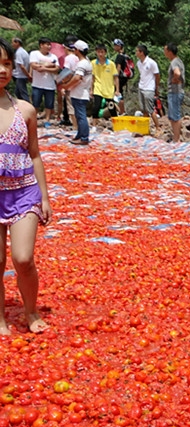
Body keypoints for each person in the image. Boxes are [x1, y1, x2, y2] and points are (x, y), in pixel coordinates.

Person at [0, 38, 53, 334]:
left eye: (7, 64)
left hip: (23, 193)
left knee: (23, 258)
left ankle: (31, 311)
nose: (2, 70)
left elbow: (34, 154)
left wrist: (44, 198)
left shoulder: (26, 110)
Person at [60, 41, 92, 146]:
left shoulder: (82, 63)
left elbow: (78, 78)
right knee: (79, 115)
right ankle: (80, 135)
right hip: (81, 92)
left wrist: (66, 85)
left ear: (77, 50)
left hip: (79, 93)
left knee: (81, 116)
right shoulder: (87, 61)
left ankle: (84, 137)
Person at [28, 37, 59, 125]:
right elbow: (34, 66)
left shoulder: (53, 56)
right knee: (36, 103)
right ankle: (33, 120)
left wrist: (44, 67)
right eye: (47, 44)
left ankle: (47, 120)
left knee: (49, 104)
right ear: (41, 45)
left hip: (50, 84)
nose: (49, 47)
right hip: (37, 84)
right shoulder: (34, 54)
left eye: (50, 45)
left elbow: (56, 69)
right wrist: (49, 65)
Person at [135, 44, 161, 134]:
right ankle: (145, 128)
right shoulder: (138, 63)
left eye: (137, 51)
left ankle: (158, 127)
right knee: (144, 109)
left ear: (141, 52)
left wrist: (156, 87)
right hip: (141, 87)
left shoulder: (151, 63)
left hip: (149, 88)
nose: (136, 53)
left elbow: (157, 75)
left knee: (150, 109)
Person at [91, 44, 119, 125]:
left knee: (111, 107)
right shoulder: (93, 63)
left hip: (109, 89)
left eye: (102, 52)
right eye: (98, 52)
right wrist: (91, 89)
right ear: (96, 52)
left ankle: (116, 124)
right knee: (96, 107)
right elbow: (92, 78)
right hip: (98, 88)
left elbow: (116, 78)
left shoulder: (111, 64)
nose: (100, 54)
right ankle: (94, 125)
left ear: (105, 53)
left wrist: (117, 90)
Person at [164, 43, 185, 142]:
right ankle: (175, 137)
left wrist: (175, 79)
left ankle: (176, 139)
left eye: (165, 51)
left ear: (170, 52)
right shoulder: (179, 61)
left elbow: (177, 73)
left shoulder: (174, 62)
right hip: (177, 91)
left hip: (175, 91)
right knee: (173, 116)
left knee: (175, 116)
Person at [59, 38, 79, 127]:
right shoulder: (78, 57)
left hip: (70, 85)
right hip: (78, 85)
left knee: (71, 108)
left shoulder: (68, 58)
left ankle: (75, 127)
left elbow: (67, 73)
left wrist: (63, 85)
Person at [112, 39, 131, 115]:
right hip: (125, 77)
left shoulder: (119, 56)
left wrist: (115, 77)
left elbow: (118, 67)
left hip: (120, 77)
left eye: (115, 45)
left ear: (119, 46)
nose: (114, 47)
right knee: (119, 92)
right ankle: (121, 111)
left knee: (118, 92)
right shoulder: (126, 55)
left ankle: (122, 111)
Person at [11, 38, 31, 102]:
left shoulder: (19, 53)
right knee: (17, 92)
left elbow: (21, 66)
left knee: (23, 93)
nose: (12, 44)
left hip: (20, 76)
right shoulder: (24, 52)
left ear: (17, 43)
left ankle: (28, 106)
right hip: (22, 76)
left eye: (13, 43)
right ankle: (22, 105)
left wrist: (28, 75)